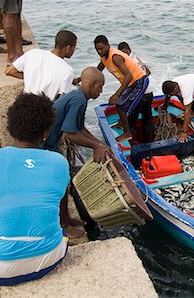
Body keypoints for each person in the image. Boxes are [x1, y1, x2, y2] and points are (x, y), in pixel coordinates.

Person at [0, 93, 69, 286]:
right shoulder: (59, 162)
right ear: (45, 133)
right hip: (50, 256)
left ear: (10, 126)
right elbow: (59, 210)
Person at [41, 67, 109, 237]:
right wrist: (95, 147)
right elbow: (69, 133)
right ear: (92, 84)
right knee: (62, 181)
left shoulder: (76, 95)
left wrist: (99, 143)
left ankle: (67, 218)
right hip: (44, 145)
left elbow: (79, 128)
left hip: (49, 141)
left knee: (65, 180)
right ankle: (63, 224)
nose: (101, 92)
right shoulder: (79, 100)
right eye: (100, 87)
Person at [94, 35, 148, 142]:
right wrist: (81, 78)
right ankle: (123, 122)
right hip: (130, 83)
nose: (99, 51)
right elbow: (98, 70)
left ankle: (127, 133)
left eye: (101, 48)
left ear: (108, 46)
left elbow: (129, 76)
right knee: (119, 104)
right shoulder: (104, 57)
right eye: (97, 50)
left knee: (121, 105)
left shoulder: (115, 57)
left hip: (139, 81)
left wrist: (117, 94)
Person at [5, 30, 76, 101]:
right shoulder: (67, 70)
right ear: (68, 48)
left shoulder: (33, 53)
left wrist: (31, 76)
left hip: (24, 103)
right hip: (44, 108)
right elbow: (61, 99)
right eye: (74, 47)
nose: (74, 50)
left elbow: (9, 71)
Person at [118, 41, 154, 142]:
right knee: (148, 117)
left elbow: (129, 81)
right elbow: (148, 72)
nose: (124, 55)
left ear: (129, 50)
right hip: (149, 92)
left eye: (125, 52)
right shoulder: (136, 59)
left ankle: (130, 143)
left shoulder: (127, 63)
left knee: (132, 118)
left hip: (140, 93)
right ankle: (149, 142)